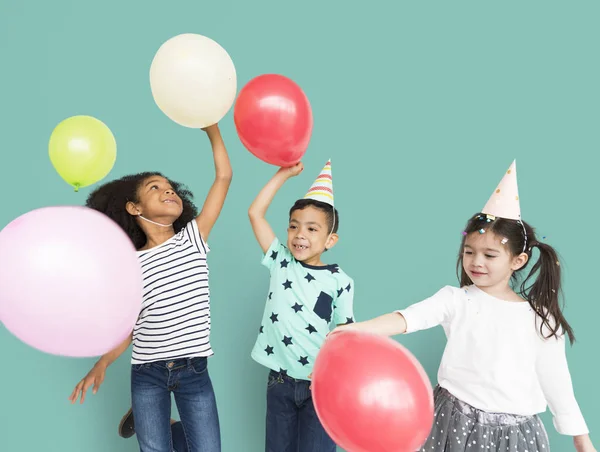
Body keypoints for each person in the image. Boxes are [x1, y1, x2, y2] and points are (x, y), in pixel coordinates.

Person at [332, 160, 596, 452]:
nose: (476, 261)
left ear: (517, 261)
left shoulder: (540, 319)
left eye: (490, 255)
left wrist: (581, 439)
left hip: (516, 435)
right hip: (453, 420)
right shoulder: (456, 299)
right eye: (469, 251)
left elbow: (556, 378)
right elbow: (408, 318)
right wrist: (357, 330)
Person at [68, 124, 232, 452]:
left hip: (193, 369)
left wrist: (212, 131)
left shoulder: (193, 239)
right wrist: (101, 363)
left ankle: (171, 426)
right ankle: (162, 425)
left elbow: (224, 177)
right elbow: (129, 326)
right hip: (148, 372)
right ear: (134, 208)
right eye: (155, 188)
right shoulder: (129, 264)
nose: (168, 190)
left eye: (171, 188)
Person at [248, 160, 355, 452]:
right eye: (294, 226)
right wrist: (283, 175)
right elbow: (255, 213)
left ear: (330, 240)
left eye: (311, 228)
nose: (300, 235)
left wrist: (336, 372)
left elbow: (346, 333)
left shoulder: (340, 281)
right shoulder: (280, 261)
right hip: (279, 380)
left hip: (321, 385)